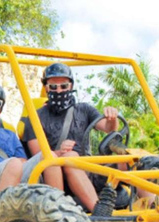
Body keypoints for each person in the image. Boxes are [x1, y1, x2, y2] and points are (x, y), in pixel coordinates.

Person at [22, 63, 120, 212]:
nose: (59, 90)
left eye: (64, 86)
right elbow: (38, 155)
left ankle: (155, 209)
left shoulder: (84, 109)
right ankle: (99, 212)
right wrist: (60, 152)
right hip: (56, 174)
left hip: (87, 168)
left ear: (71, 86)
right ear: (46, 88)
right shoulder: (35, 117)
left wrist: (112, 117)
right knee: (71, 156)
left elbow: (108, 128)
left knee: (134, 158)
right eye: (53, 87)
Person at [0, 86, 63, 191]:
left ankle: (58, 203)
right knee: (14, 164)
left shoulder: (9, 134)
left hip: (14, 170)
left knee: (49, 155)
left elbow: (23, 161)